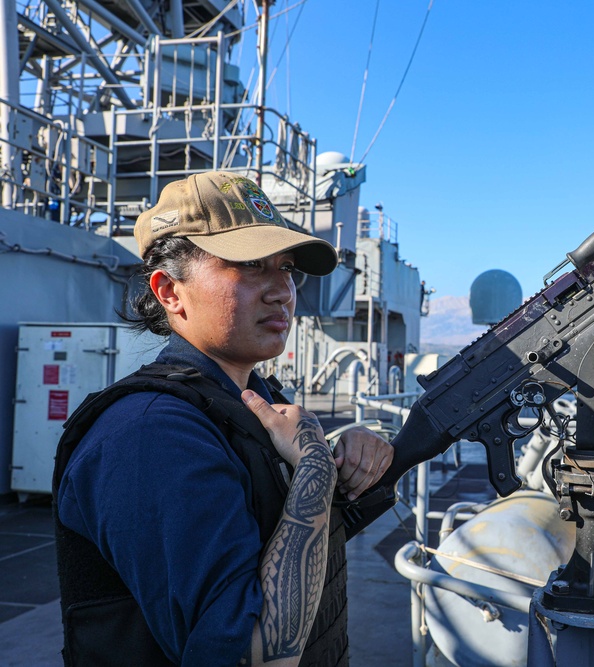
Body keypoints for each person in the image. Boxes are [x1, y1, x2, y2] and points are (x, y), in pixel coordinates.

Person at [53, 171, 394, 666]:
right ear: (170, 291)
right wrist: (316, 470)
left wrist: (346, 451)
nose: (283, 291)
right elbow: (251, 653)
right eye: (252, 264)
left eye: (287, 267)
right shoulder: (151, 434)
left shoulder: (250, 400)